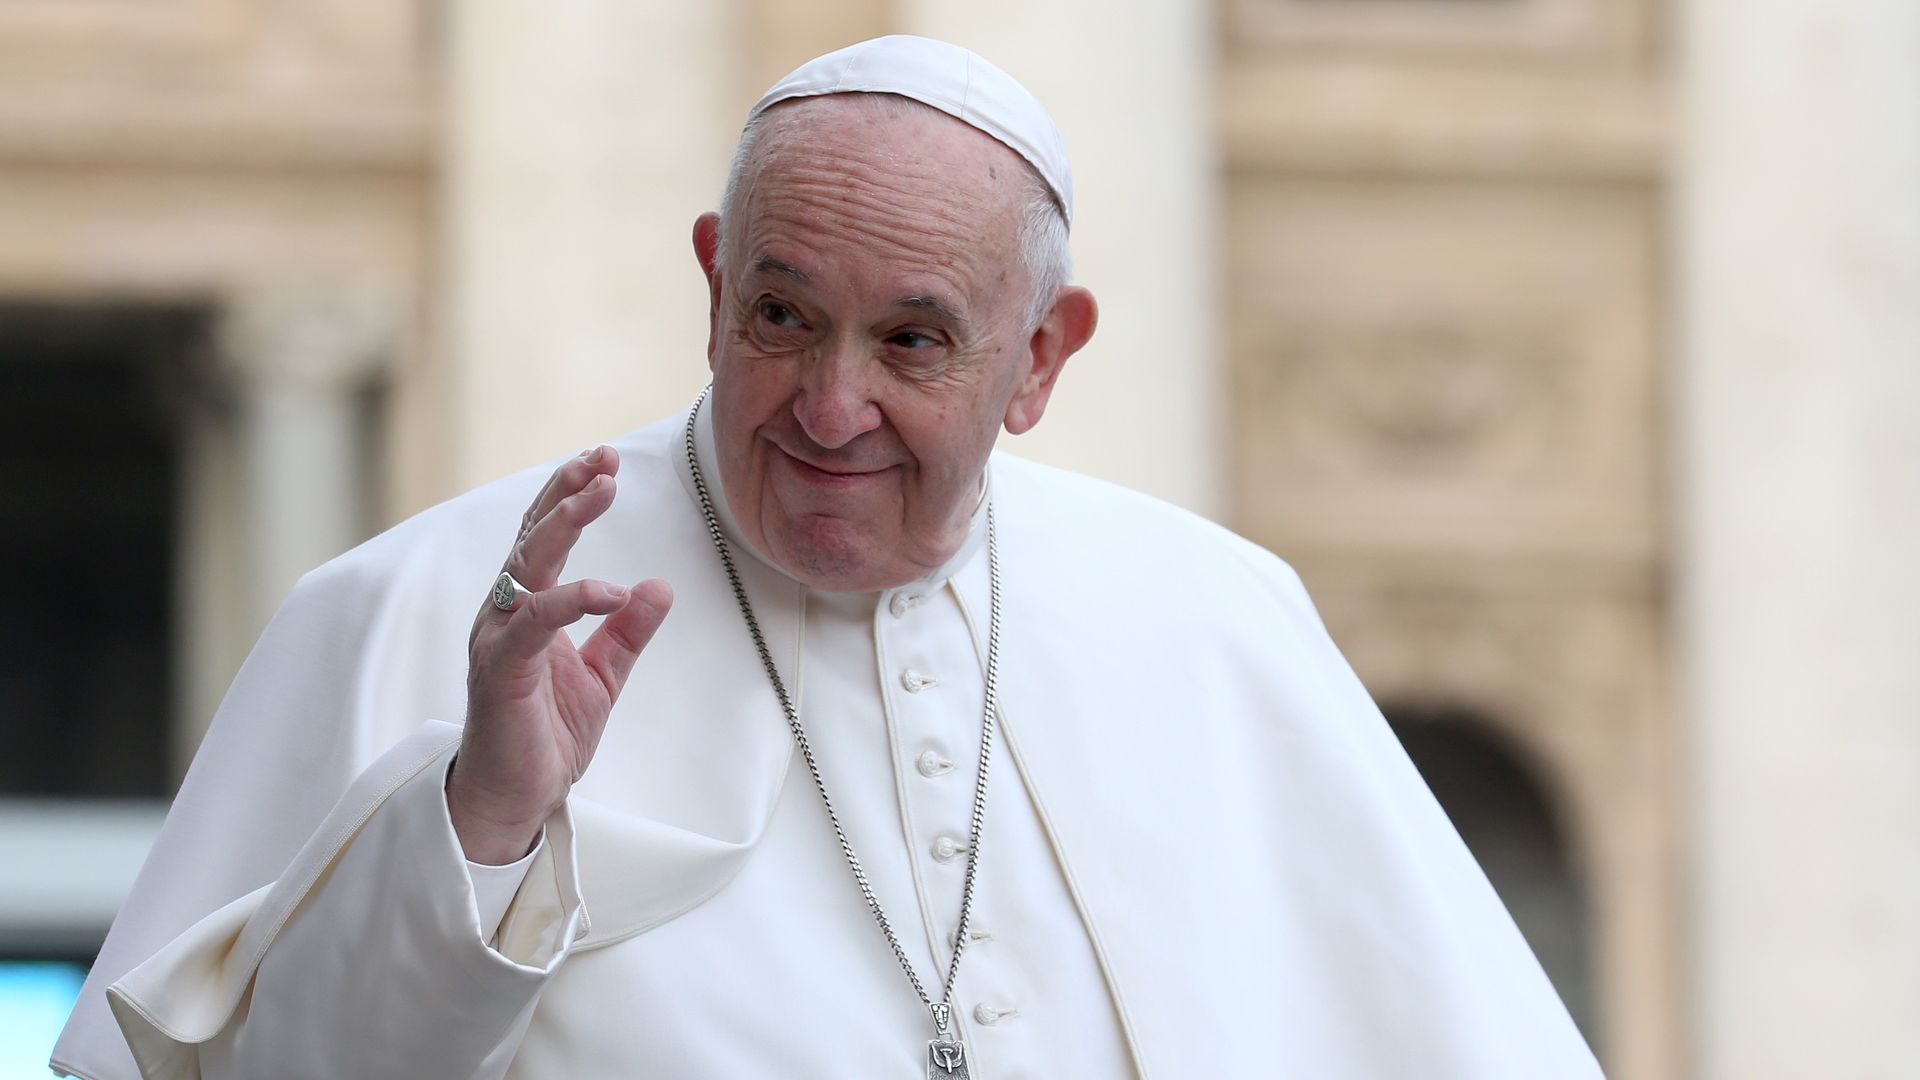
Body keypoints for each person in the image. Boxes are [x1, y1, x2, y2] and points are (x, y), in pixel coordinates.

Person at [51, 35, 1599, 1080]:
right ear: (715, 283)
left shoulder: (1214, 622)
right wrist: (481, 828)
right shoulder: (417, 608)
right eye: (784, 318)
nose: (831, 405)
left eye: (913, 339)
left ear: (1042, 358)